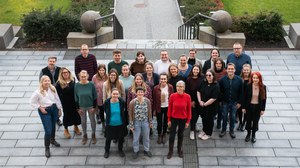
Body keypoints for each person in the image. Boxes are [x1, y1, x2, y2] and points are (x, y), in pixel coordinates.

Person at [30, 75, 62, 158]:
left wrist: (59, 109)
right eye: (45, 81)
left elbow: (57, 99)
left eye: (48, 80)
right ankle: (47, 148)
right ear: (41, 82)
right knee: (48, 130)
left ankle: (52, 140)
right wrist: (40, 108)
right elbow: (32, 102)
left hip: (54, 109)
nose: (47, 82)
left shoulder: (52, 88)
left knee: (53, 126)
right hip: (45, 111)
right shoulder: (38, 92)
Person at [167, 80, 191, 159]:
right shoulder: (172, 96)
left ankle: (179, 150)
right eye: (178, 86)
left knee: (180, 135)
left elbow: (189, 110)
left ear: (184, 88)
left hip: (183, 119)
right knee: (172, 136)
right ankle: (170, 151)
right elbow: (170, 108)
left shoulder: (187, 97)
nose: (179, 88)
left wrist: (188, 121)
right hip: (174, 118)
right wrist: (169, 119)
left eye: (181, 86)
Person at [219, 63, 243, 139]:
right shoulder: (222, 80)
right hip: (225, 102)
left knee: (232, 117)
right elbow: (220, 91)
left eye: (232, 69)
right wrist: (220, 101)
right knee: (224, 116)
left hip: (234, 102)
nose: (230, 70)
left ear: (235, 70)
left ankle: (231, 130)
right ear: (226, 70)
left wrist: (239, 102)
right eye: (229, 69)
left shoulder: (239, 80)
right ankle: (223, 130)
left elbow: (241, 92)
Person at [56, 67, 81, 139]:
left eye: (67, 72)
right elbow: (57, 95)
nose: (65, 74)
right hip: (65, 103)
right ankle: (66, 129)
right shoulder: (59, 83)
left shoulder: (72, 80)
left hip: (73, 101)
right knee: (67, 115)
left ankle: (76, 127)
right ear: (61, 74)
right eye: (64, 72)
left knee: (75, 114)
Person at [129, 86, 153, 159]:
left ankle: (146, 149)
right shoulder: (132, 102)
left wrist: (150, 122)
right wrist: (131, 125)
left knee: (146, 137)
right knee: (136, 137)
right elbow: (130, 114)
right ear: (136, 93)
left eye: (142, 92)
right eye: (139, 92)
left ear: (144, 93)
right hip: (136, 122)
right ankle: (136, 150)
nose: (140, 93)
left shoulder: (147, 101)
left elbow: (150, 112)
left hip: (145, 121)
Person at [74, 70, 98, 145]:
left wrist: (94, 107)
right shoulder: (77, 85)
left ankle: (93, 135)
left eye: (85, 76)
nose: (83, 78)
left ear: (87, 76)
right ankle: (85, 135)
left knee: (92, 121)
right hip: (81, 106)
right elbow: (76, 97)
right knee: (83, 121)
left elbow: (95, 96)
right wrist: (78, 108)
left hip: (91, 106)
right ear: (79, 77)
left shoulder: (91, 84)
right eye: (82, 76)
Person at [243, 72, 267, 143]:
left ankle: (253, 135)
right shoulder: (248, 86)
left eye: (257, 78)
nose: (255, 79)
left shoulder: (263, 87)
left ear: (259, 79)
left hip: (257, 107)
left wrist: (263, 109)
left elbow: (264, 99)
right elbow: (244, 97)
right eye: (254, 78)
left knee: (255, 121)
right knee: (248, 121)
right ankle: (248, 134)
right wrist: (243, 107)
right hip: (249, 106)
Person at [103, 88, 128, 158]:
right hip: (110, 124)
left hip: (120, 123)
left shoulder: (121, 101)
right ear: (111, 94)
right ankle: (107, 151)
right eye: (114, 94)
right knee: (108, 139)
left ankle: (120, 150)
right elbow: (105, 110)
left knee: (120, 138)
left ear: (119, 94)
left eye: (117, 94)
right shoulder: (107, 102)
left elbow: (123, 111)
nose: (115, 95)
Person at [39, 56, 62, 126]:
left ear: (55, 62)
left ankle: (57, 118)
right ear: (48, 61)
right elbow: (40, 81)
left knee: (57, 104)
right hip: (48, 91)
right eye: (50, 61)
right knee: (50, 104)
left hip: (58, 90)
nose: (52, 63)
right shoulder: (43, 70)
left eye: (53, 61)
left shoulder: (59, 69)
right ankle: (52, 118)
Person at [197, 70, 220, 140]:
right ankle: (204, 130)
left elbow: (213, 98)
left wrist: (204, 104)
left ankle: (208, 133)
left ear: (213, 76)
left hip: (211, 107)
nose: (208, 77)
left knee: (209, 120)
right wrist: (200, 101)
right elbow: (198, 91)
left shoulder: (216, 86)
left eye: (210, 75)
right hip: (202, 105)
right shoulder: (203, 82)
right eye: (206, 75)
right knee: (204, 118)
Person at [153, 73, 174, 144]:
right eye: (161, 79)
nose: (163, 80)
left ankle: (164, 134)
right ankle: (159, 134)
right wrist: (154, 110)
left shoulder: (170, 87)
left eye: (164, 79)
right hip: (159, 107)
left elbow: (172, 98)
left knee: (165, 121)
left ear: (167, 79)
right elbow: (154, 99)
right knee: (159, 122)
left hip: (167, 107)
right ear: (159, 79)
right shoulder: (156, 88)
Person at [185, 65, 205, 140]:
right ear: (192, 70)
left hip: (201, 100)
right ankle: (192, 131)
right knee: (193, 116)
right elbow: (187, 91)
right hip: (193, 100)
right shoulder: (188, 79)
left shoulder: (202, 78)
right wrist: (190, 101)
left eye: (197, 70)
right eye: (194, 69)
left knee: (200, 115)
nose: (195, 71)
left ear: (199, 70)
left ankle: (196, 125)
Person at [92, 64, 108, 131]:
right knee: (101, 111)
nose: (102, 71)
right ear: (98, 70)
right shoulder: (95, 77)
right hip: (99, 97)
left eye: (103, 70)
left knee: (107, 111)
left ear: (105, 70)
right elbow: (92, 87)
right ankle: (103, 125)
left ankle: (108, 124)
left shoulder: (107, 77)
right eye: (100, 70)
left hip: (106, 97)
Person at [213, 58, 227, 129]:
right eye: (217, 63)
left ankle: (219, 122)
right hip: (213, 94)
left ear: (222, 65)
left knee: (220, 110)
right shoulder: (212, 71)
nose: (218, 65)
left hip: (222, 94)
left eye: (220, 63)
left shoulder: (225, 72)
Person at [237, 64, 251, 131]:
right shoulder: (239, 78)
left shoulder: (251, 79)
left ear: (249, 70)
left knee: (246, 112)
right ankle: (240, 122)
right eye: (244, 70)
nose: (246, 71)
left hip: (248, 99)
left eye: (247, 70)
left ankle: (244, 123)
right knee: (239, 111)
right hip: (240, 98)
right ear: (242, 70)